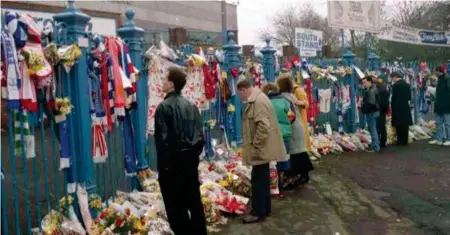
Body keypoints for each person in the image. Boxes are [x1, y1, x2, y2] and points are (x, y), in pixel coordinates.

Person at [154, 66, 207, 235]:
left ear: (171, 84)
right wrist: (192, 156)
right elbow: (200, 137)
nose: (162, 82)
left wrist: (165, 167)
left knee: (176, 208)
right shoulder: (191, 106)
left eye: (164, 79)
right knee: (194, 203)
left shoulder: (163, 107)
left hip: (172, 165)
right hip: (190, 163)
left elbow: (162, 141)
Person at [237, 79, 287, 224]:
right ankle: (264, 209)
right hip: (263, 148)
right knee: (262, 179)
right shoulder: (259, 99)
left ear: (244, 90)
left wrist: (255, 146)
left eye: (239, 94)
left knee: (258, 181)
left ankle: (258, 213)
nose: (240, 98)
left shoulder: (258, 102)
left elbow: (263, 127)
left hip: (261, 149)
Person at [277, 74, 313, 186]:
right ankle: (300, 175)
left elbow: (305, 104)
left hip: (294, 127)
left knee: (297, 154)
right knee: (298, 153)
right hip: (296, 126)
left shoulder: (287, 96)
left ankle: (301, 176)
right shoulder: (290, 95)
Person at [262, 83, 294, 196]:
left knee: (271, 162)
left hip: (270, 135)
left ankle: (271, 187)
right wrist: (285, 125)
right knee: (283, 160)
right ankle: (280, 187)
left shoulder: (264, 103)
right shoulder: (285, 102)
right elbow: (291, 116)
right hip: (284, 135)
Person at [429, 66, 450, 146]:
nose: (435, 73)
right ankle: (439, 139)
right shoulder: (440, 80)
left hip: (445, 105)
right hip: (439, 104)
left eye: (436, 71)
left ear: (439, 71)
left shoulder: (446, 79)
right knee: (438, 123)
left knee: (447, 123)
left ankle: (448, 139)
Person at [390, 71, 413, 146]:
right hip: (405, 106)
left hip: (397, 107)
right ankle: (405, 140)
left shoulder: (395, 86)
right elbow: (409, 97)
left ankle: (400, 141)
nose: (392, 79)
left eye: (392, 78)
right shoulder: (407, 85)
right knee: (405, 124)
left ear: (395, 77)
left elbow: (393, 97)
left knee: (398, 124)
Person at [361, 76, 380, 152]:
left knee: (372, 129)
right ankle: (375, 146)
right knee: (373, 128)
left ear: (370, 82)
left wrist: (363, 109)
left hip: (371, 112)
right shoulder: (373, 89)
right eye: (363, 83)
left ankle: (375, 147)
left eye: (365, 82)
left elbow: (371, 103)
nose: (364, 84)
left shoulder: (371, 91)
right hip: (374, 111)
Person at [293, 80, 312, 151]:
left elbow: (306, 103)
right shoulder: (291, 90)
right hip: (294, 119)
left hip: (299, 118)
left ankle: (305, 151)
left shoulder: (298, 90)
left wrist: (301, 103)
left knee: (301, 138)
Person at [372, 75, 390, 148]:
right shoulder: (383, 89)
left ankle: (378, 142)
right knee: (381, 126)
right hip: (382, 110)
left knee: (378, 126)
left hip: (378, 110)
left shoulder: (377, 90)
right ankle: (382, 142)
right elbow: (386, 101)